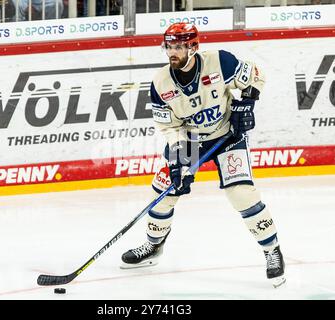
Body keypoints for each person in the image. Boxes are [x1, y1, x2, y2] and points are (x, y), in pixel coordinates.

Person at [120, 23, 286, 288]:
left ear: (193, 46)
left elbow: (255, 76)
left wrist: (246, 105)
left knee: (242, 194)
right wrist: (176, 162)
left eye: (177, 47)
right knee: (163, 192)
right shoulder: (160, 82)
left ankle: (272, 251)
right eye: (169, 47)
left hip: (227, 134)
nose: (171, 53)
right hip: (191, 139)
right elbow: (169, 126)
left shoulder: (220, 62)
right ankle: (153, 246)